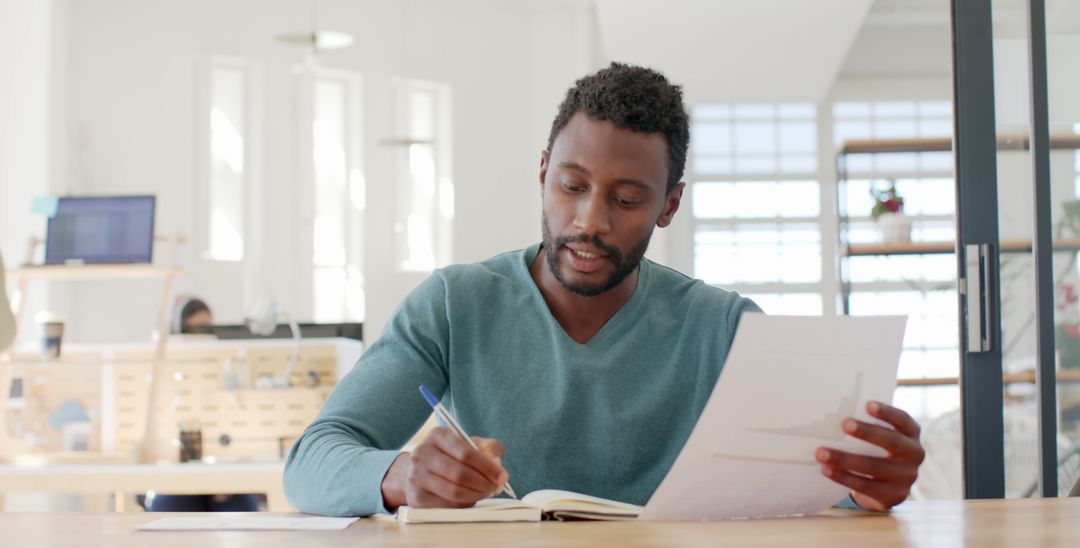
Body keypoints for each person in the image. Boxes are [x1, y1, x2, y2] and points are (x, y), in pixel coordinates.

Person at [284, 63, 925, 517]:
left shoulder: (724, 327)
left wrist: (869, 487)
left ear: (669, 206)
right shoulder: (454, 303)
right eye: (571, 186)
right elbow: (312, 462)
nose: (590, 221)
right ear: (542, 175)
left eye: (625, 199)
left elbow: (816, 493)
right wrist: (400, 474)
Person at [145, 295, 262, 512]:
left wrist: (224, 475)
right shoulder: (158, 368)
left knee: (239, 504)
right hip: (175, 477)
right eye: (195, 328)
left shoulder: (222, 361)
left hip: (222, 471)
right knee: (172, 504)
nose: (202, 335)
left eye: (207, 328)